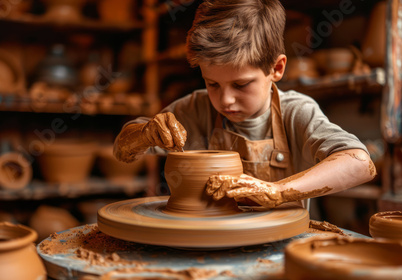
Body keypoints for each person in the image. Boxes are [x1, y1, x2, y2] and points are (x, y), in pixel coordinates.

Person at [114, 0, 376, 208]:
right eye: (212, 84)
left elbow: (361, 164)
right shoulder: (195, 109)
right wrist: (145, 134)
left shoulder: (296, 112)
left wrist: (277, 191)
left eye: (241, 85)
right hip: (205, 241)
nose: (225, 100)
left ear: (276, 68)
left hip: (278, 246)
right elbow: (122, 151)